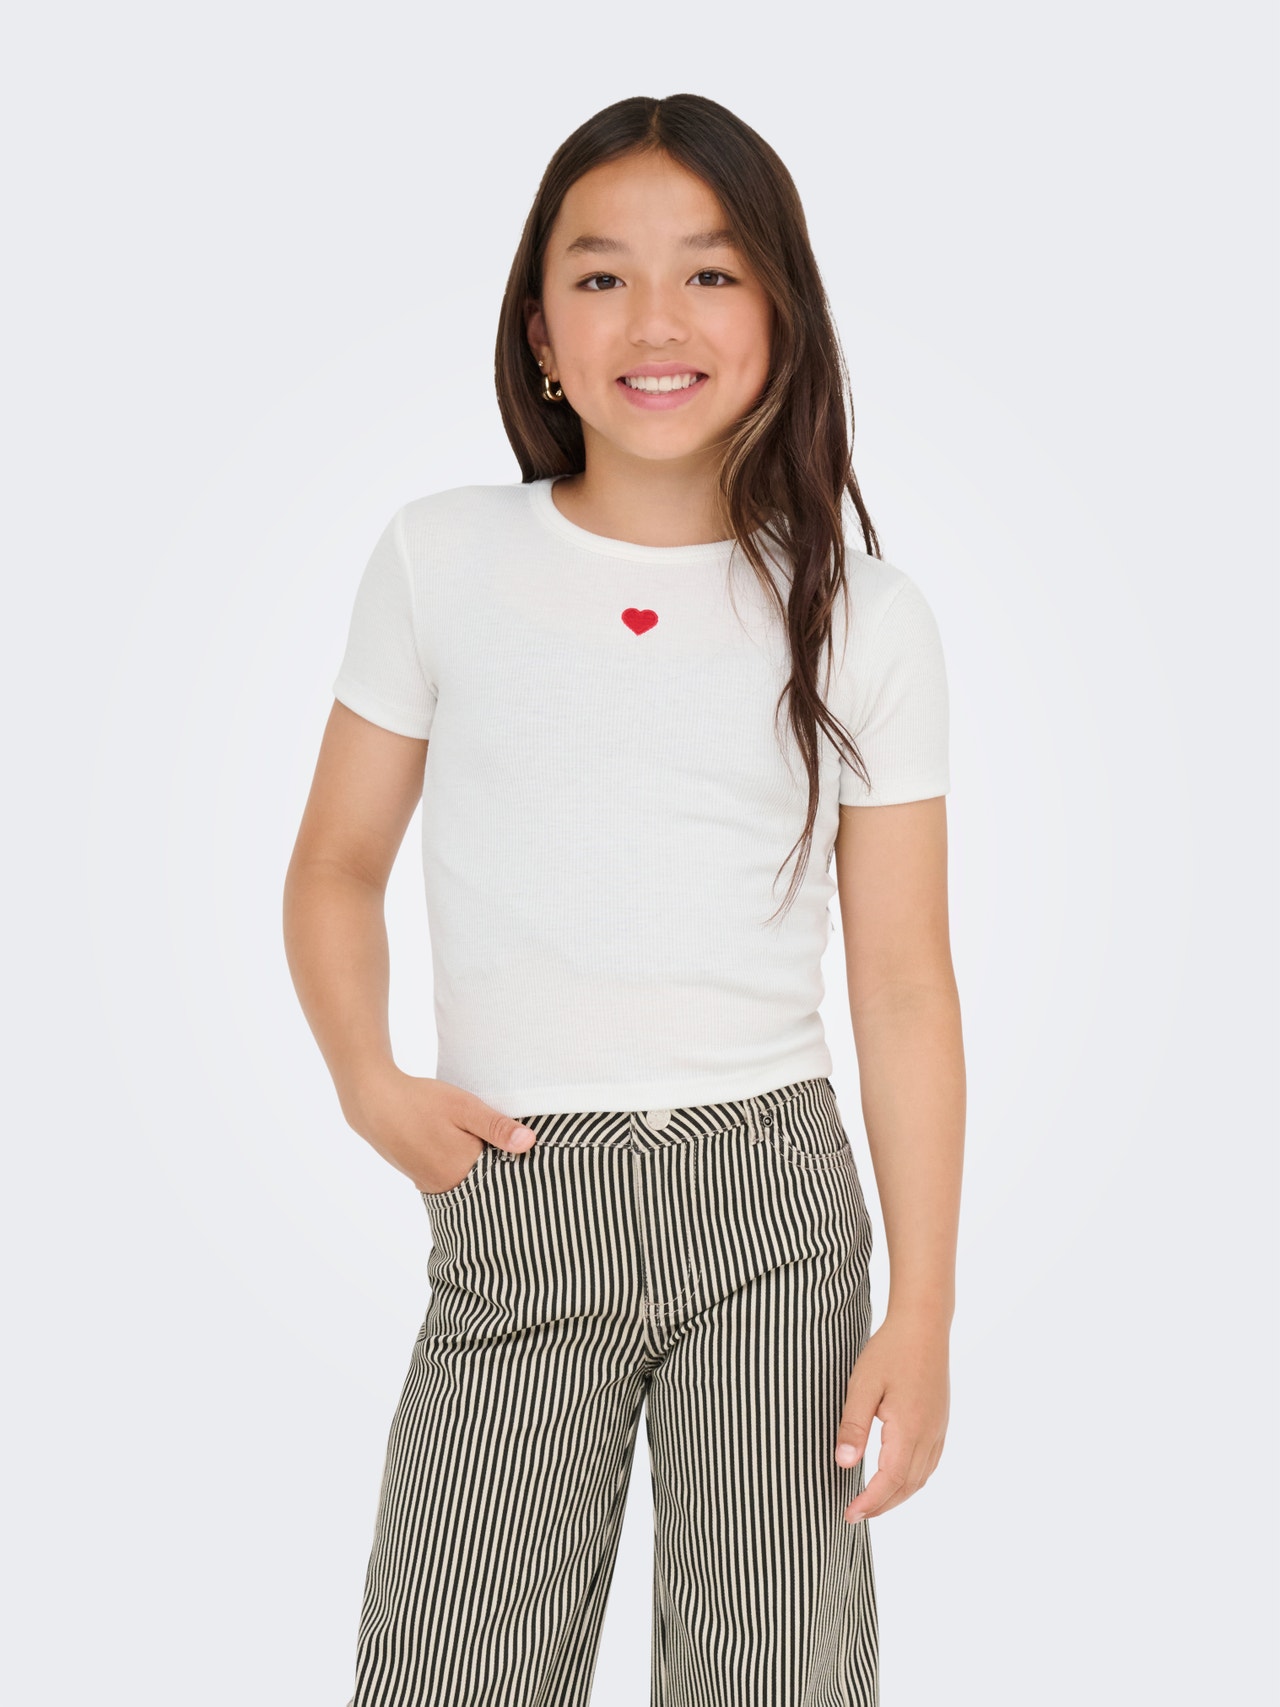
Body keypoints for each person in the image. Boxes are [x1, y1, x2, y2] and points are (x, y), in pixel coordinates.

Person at [283, 91, 965, 1707]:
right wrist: (369, 1082)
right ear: (540, 332)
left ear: (782, 314)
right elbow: (335, 865)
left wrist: (924, 1308)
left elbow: (904, 983)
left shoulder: (860, 616)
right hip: (517, 1187)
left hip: (773, 1202)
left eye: (711, 273)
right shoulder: (442, 561)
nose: (656, 321)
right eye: (601, 277)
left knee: (772, 1668)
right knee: (450, 1663)